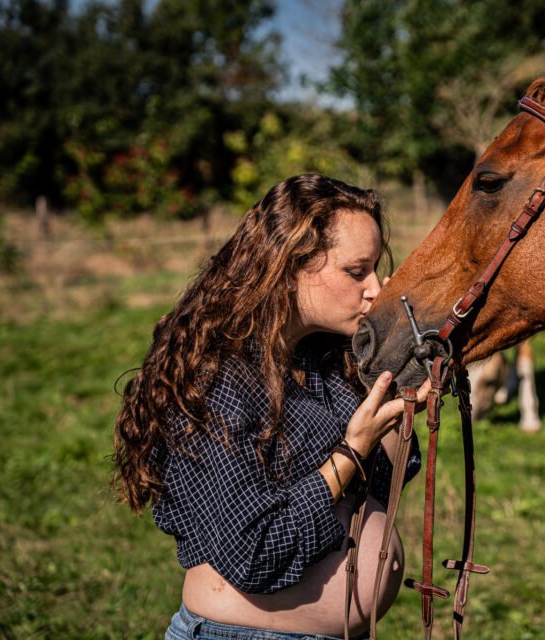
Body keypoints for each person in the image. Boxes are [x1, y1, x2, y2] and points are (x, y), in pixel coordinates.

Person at [112, 174, 429, 640]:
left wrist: (396, 405)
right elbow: (252, 552)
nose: (375, 287)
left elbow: (376, 491)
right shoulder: (215, 381)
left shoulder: (318, 359)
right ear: (287, 267)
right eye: (355, 270)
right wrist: (351, 451)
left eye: (376, 269)